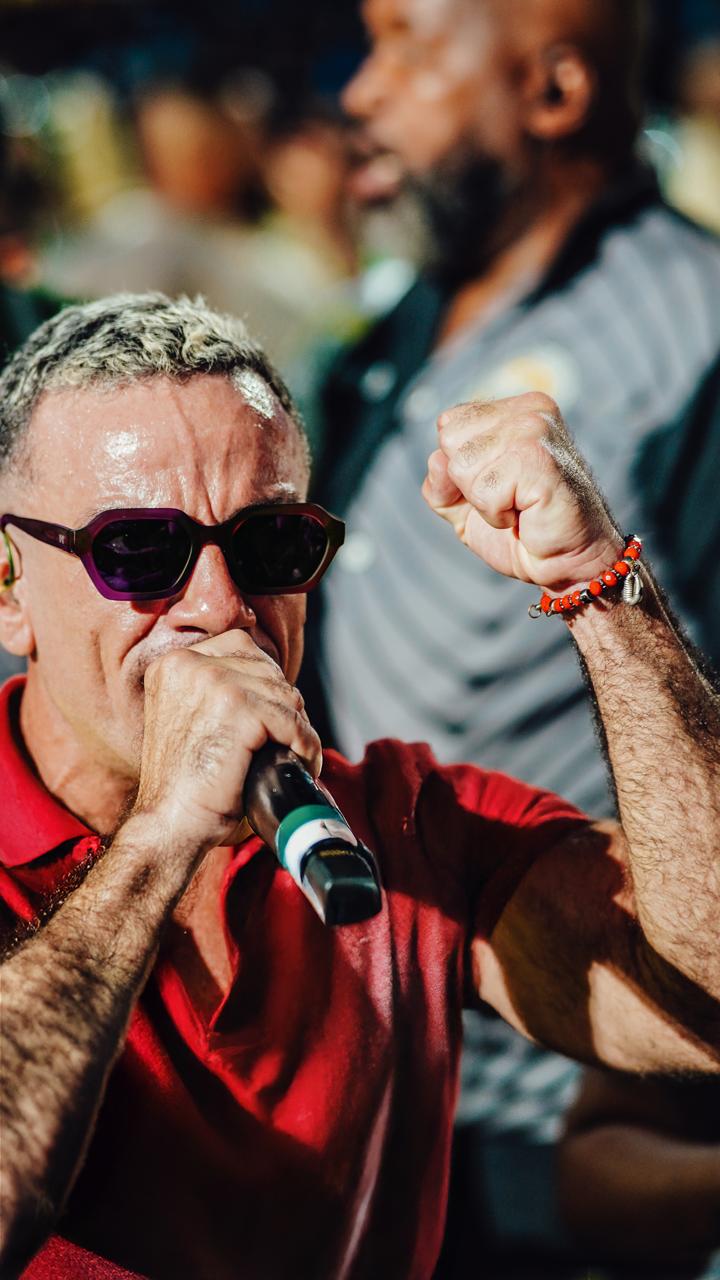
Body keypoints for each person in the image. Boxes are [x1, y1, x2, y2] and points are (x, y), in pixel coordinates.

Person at [0, 293, 719, 1280]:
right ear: (9, 586)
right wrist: (162, 835)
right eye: (139, 552)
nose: (221, 608)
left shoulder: (401, 822)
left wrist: (598, 583)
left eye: (270, 544)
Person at [301, 1, 720, 1268]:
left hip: (585, 1101)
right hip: (378, 1077)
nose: (364, 91)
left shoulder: (696, 335)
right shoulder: (401, 332)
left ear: (553, 91)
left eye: (411, 46)